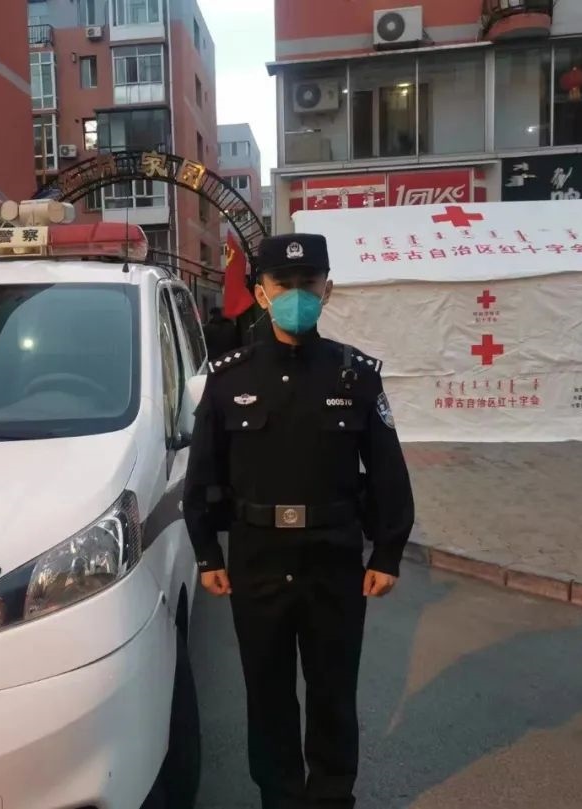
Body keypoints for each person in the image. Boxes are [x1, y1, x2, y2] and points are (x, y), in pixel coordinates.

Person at [183, 233, 415, 809]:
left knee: (333, 691)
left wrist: (387, 552)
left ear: (326, 289)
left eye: (307, 284)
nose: (295, 295)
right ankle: (280, 797)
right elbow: (204, 470)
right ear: (261, 293)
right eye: (282, 284)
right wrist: (207, 552)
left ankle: (332, 798)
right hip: (257, 558)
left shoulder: (355, 375)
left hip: (333, 556)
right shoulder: (229, 377)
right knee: (267, 694)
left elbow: (387, 470)